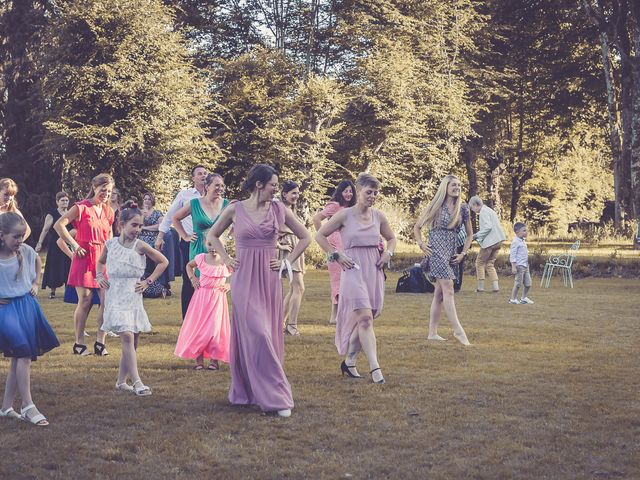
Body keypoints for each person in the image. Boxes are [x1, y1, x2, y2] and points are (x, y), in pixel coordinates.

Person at [207, 164, 311, 418]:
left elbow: (305, 237)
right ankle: (276, 397)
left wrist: (286, 262)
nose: (277, 189)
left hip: (268, 277)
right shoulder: (235, 209)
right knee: (257, 332)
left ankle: (255, 392)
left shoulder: (279, 209)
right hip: (243, 278)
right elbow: (212, 235)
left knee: (267, 333)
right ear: (259, 185)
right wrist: (226, 257)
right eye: (273, 185)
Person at [316, 173, 396, 384]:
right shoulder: (344, 215)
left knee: (368, 317)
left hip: (374, 270)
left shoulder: (378, 216)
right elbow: (319, 235)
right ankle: (375, 368)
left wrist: (388, 253)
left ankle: (349, 361)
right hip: (352, 269)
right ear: (358, 192)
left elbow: (392, 238)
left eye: (376, 193)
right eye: (368, 192)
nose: (372, 196)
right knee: (365, 319)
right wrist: (336, 254)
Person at [96, 201, 168, 395]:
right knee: (127, 336)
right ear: (121, 225)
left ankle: (121, 381)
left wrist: (148, 281)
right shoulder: (110, 244)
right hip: (115, 296)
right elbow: (100, 262)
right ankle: (137, 382)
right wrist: (100, 276)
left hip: (133, 296)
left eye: (140, 225)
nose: (138, 229)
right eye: (134, 225)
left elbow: (163, 262)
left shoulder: (141, 245)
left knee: (133, 342)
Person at [0, 212, 59, 426]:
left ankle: (6, 407)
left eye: (22, 236)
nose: (20, 241)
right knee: (24, 352)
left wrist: (35, 283)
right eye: (15, 237)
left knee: (19, 356)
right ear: (2, 235)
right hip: (5, 310)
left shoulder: (25, 251)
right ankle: (28, 405)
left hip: (26, 306)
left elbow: (37, 260)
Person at [54, 173, 115, 356]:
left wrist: (110, 254)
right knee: (85, 301)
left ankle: (100, 343)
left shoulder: (108, 211)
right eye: (103, 189)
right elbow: (59, 225)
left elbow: (110, 234)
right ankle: (79, 343)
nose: (105, 194)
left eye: (109, 191)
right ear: (94, 187)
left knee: (107, 301)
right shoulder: (81, 207)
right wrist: (74, 246)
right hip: (84, 257)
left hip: (102, 260)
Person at [414, 175, 473, 346]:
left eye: (459, 185)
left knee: (439, 295)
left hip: (452, 253)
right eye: (454, 185)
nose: (457, 187)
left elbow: (470, 235)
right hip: (436, 251)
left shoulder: (463, 208)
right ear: (445, 187)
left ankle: (432, 333)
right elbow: (417, 227)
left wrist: (463, 253)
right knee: (449, 289)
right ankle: (458, 331)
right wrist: (421, 244)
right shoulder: (435, 206)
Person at [156, 165, 208, 318]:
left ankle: (204, 316)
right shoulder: (185, 195)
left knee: (207, 278)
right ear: (193, 178)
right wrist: (161, 236)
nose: (203, 176)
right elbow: (170, 216)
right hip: (189, 242)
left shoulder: (212, 196)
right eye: (199, 174)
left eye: (205, 173)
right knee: (189, 278)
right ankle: (187, 317)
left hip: (208, 244)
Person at [174, 238, 231, 370]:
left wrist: (229, 284)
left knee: (215, 329)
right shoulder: (201, 258)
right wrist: (193, 278)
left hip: (217, 298)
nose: (213, 248)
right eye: (210, 244)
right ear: (206, 244)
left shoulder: (226, 260)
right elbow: (189, 265)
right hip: (201, 298)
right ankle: (199, 361)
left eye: (217, 245)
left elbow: (239, 273)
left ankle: (214, 361)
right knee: (199, 329)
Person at [312, 180, 356, 324]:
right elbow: (317, 218)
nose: (348, 194)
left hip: (348, 245)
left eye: (350, 191)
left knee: (348, 279)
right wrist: (323, 235)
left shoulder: (353, 208)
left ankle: (345, 314)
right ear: (340, 192)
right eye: (345, 191)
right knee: (337, 280)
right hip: (335, 245)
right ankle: (334, 315)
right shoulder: (335, 205)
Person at [172, 173, 228, 275]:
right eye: (217, 185)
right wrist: (185, 236)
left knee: (216, 282)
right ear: (207, 187)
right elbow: (175, 218)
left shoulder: (227, 205)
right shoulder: (194, 203)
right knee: (199, 283)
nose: (220, 188)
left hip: (217, 248)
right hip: (198, 247)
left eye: (222, 186)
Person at [278, 180, 306, 336]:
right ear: (284, 194)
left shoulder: (290, 209)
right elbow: (271, 228)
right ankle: (291, 325)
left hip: (296, 247)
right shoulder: (280, 209)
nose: (296, 195)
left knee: (296, 288)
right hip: (289, 248)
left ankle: (280, 322)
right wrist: (278, 244)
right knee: (298, 287)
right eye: (293, 193)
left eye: (297, 192)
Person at [35, 192, 72, 299]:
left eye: (66, 200)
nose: (65, 202)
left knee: (68, 266)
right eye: (62, 200)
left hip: (68, 244)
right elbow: (45, 230)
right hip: (55, 245)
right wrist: (39, 243)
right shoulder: (52, 214)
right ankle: (52, 291)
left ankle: (68, 291)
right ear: (57, 202)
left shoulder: (71, 213)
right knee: (54, 267)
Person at [469, 196, 507, 293]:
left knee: (479, 262)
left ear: (475, 205)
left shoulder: (483, 212)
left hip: (490, 242)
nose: (472, 210)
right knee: (490, 264)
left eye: (472, 208)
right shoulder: (490, 210)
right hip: (498, 241)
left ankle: (480, 288)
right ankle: (495, 287)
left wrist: (476, 236)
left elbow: (488, 227)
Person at [509, 222, 534, 305]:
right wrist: (513, 266)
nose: (526, 232)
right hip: (519, 266)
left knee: (528, 283)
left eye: (526, 230)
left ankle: (524, 298)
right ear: (517, 232)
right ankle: (513, 299)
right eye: (524, 231)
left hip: (525, 265)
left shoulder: (523, 241)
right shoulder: (515, 242)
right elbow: (513, 255)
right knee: (518, 284)